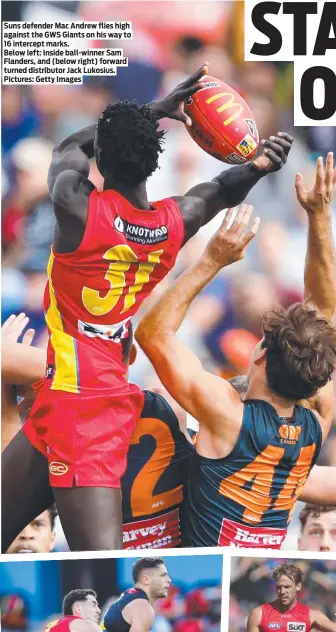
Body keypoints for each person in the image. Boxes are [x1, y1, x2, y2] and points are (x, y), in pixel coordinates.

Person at [2, 63, 293, 552]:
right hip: (71, 395)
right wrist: (260, 165)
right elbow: (219, 190)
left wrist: (155, 111)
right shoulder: (175, 222)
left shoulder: (76, 209)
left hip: (87, 416)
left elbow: (65, 150)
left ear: (103, 162)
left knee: (104, 580)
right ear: (153, 164)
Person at [135, 153, 336, 548]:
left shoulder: (226, 412)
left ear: (260, 354)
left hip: (205, 572)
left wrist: (212, 260)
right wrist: (318, 216)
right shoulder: (318, 422)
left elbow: (153, 334)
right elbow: (325, 311)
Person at [1, 316, 194, 551]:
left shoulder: (61, 415)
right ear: (132, 355)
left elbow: (15, 491)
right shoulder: (170, 406)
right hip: (170, 553)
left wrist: (8, 392)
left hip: (106, 559)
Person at [247, 563, 336, 632]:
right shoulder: (258, 614)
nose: (282, 591)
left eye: (287, 587)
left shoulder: (312, 616)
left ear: (298, 586)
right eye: (279, 587)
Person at [103, 557, 171, 632]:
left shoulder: (130, 594)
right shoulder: (143, 608)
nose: (169, 580)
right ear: (146, 579)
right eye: (163, 575)